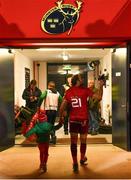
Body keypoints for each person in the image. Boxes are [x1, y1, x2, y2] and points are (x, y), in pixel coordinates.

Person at [59, 74, 104, 172]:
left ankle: (75, 163)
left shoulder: (68, 92)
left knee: (73, 143)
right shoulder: (86, 90)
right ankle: (82, 159)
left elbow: (62, 106)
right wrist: (101, 85)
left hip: (73, 120)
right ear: (77, 81)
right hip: (83, 120)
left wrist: (61, 117)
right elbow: (99, 97)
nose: (82, 79)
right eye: (80, 79)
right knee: (83, 141)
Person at [25, 109, 62, 173]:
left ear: (38, 119)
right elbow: (56, 127)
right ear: (46, 118)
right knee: (46, 153)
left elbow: (28, 134)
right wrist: (61, 123)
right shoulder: (48, 125)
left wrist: (27, 130)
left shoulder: (36, 126)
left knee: (41, 153)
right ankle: (44, 164)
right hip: (46, 141)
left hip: (39, 142)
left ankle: (41, 164)